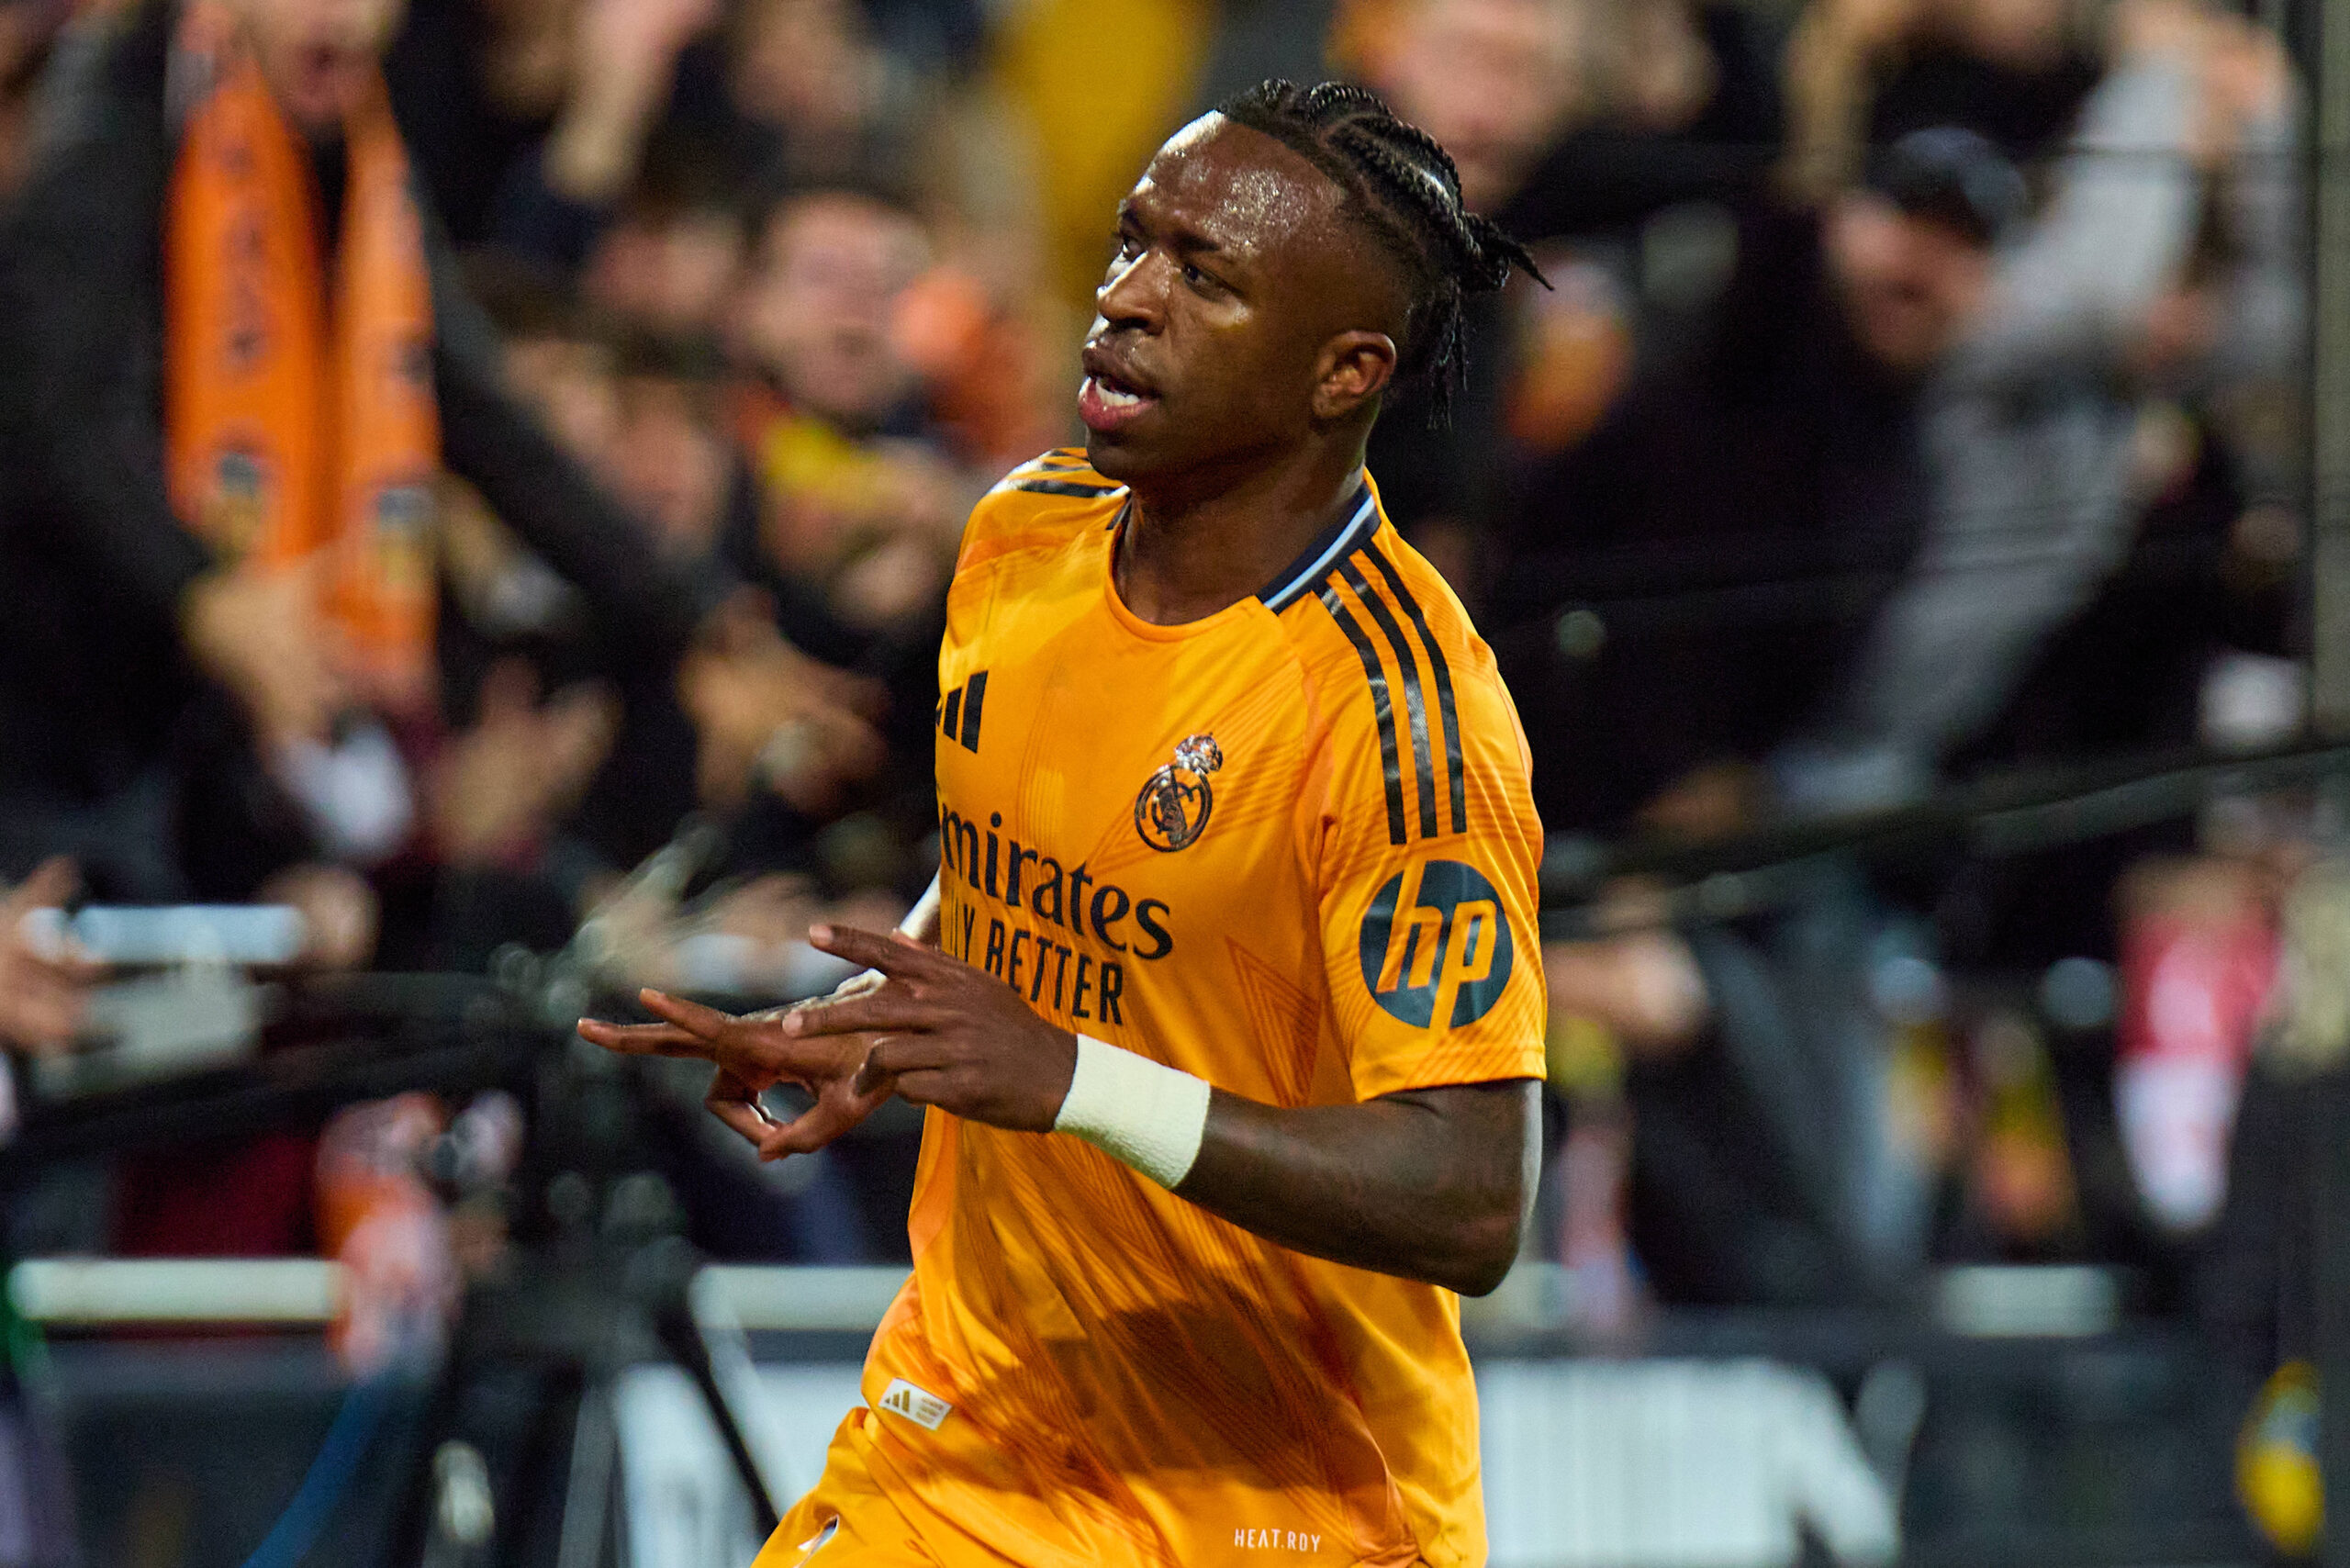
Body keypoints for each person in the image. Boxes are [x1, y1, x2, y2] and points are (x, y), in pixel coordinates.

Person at [585, 79, 1551, 1565]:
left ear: (1341, 371)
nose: (1123, 300)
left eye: (1203, 277)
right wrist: (893, 1007)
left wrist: (1066, 1074)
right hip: (969, 1426)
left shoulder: (1400, 717)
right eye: (1129, 243)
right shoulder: (1022, 532)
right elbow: (1023, 871)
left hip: (1280, 1508)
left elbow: (1473, 1196)